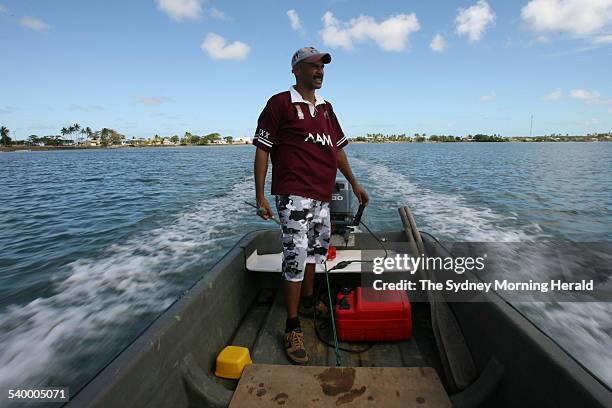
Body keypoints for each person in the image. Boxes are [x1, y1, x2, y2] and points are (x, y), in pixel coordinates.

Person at [253, 46, 368, 364]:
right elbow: (262, 150)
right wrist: (261, 194)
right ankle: (292, 325)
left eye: (322, 67)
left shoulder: (328, 109)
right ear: (296, 69)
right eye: (313, 65)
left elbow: (338, 150)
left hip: (322, 195)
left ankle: (307, 302)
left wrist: (355, 184)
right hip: (293, 194)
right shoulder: (279, 104)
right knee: (295, 256)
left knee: (316, 253)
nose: (319, 71)